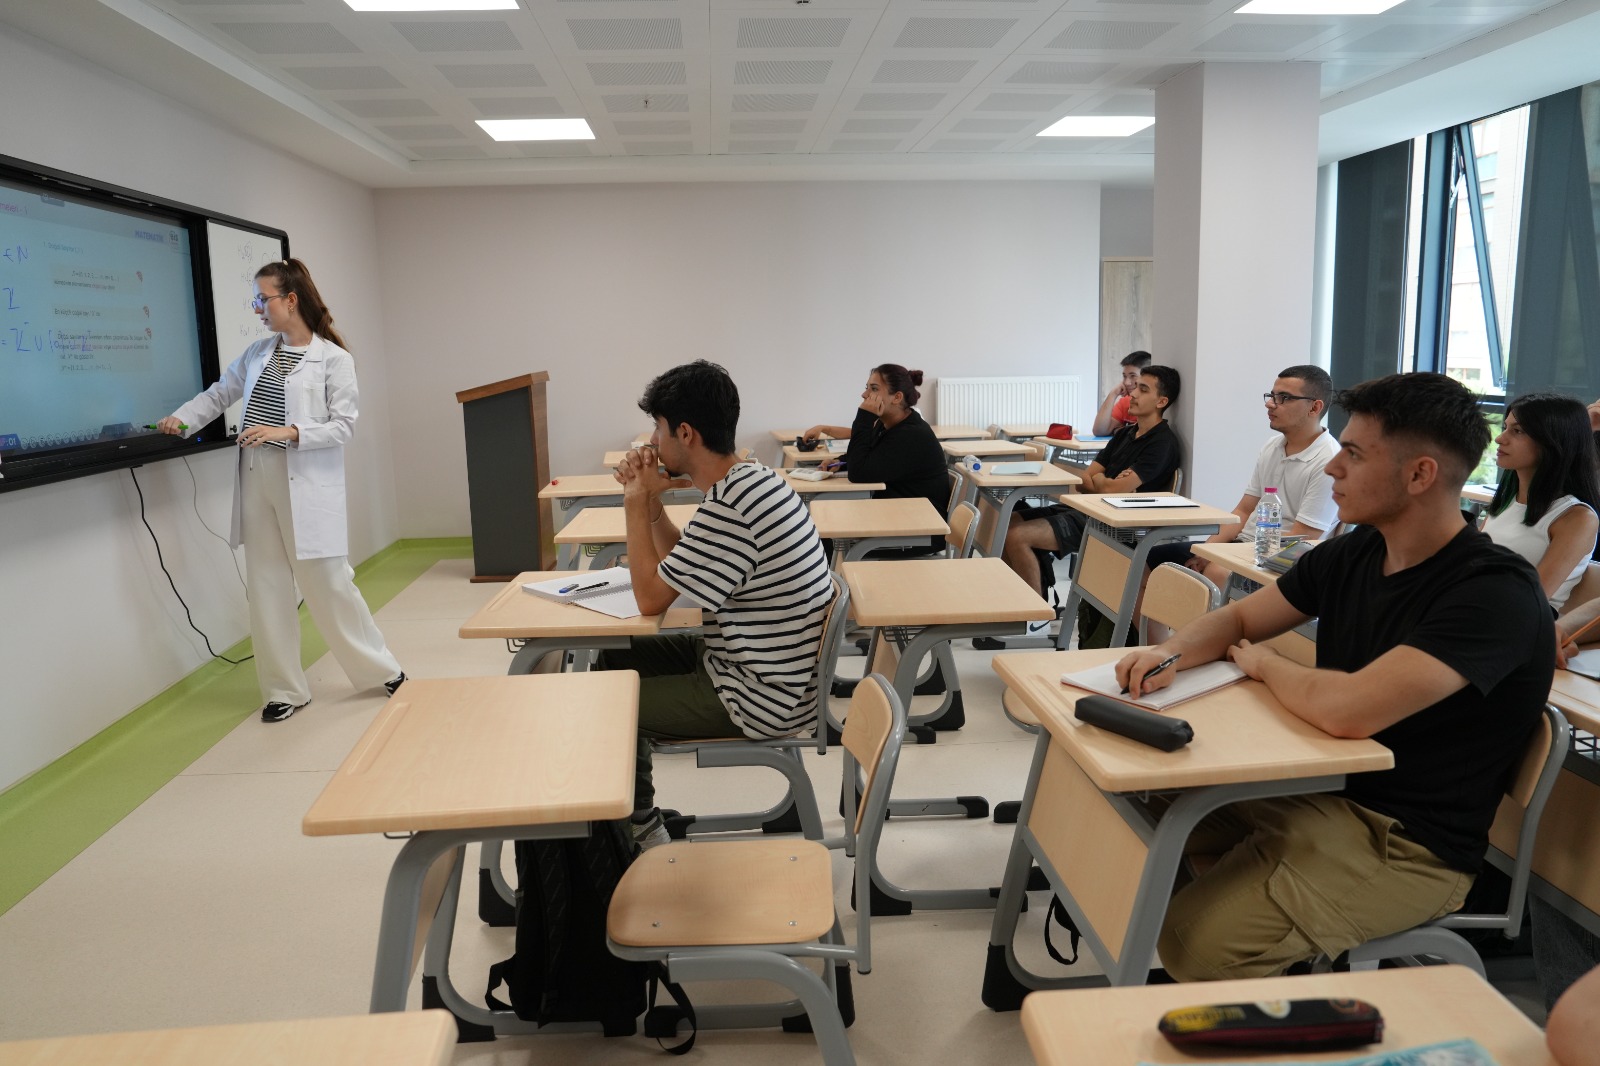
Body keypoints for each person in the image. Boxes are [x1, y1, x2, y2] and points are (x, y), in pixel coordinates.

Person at [1116, 372, 1553, 982]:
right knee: (1133, 809)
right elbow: (1240, 617)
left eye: (1353, 454)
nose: (1332, 468)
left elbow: (1347, 711)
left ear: (1420, 474)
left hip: (1405, 842)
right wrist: (1171, 652)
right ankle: (1258, 920)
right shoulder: (1355, 553)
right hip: (1321, 787)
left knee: (1194, 945)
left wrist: (1265, 663)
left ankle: (1268, 964)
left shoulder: (1492, 592)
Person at [157, 259, 404, 723]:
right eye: (256, 299)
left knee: (328, 582)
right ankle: (283, 690)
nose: (257, 308)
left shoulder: (333, 359)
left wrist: (288, 432)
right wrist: (182, 419)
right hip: (257, 476)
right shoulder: (257, 353)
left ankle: (381, 669)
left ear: (291, 300)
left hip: (304, 478)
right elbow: (219, 393)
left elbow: (344, 425)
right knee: (267, 584)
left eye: (262, 299)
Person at [604, 361, 833, 849]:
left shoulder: (732, 505)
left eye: (658, 429)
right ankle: (637, 811)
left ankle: (639, 828)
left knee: (606, 704)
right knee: (614, 655)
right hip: (759, 667)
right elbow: (683, 564)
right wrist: (653, 505)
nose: (653, 442)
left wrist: (633, 501)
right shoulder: (751, 480)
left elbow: (650, 599)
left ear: (685, 433)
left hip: (759, 694)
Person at [995, 364, 1182, 599]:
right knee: (1007, 521)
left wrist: (1101, 481)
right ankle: (1024, 601)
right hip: (1090, 509)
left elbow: (1110, 490)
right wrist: (1104, 483)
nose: (1133, 393)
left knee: (1017, 536)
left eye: (1143, 390)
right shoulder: (1125, 434)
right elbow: (1083, 480)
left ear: (1161, 402)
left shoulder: (1162, 443)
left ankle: (1036, 614)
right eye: (1135, 387)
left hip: (1113, 523)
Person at [1145, 365, 1339, 589]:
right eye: (1272, 396)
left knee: (1217, 572)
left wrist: (1225, 557)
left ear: (1314, 407)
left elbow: (1302, 538)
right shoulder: (1273, 446)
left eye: (1284, 398)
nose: (1270, 404)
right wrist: (1207, 551)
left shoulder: (1329, 461)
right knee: (1147, 559)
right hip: (1242, 545)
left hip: (1277, 563)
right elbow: (1244, 510)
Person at [802, 364, 947, 555]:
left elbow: (859, 474)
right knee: (824, 527)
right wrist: (840, 462)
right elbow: (870, 455)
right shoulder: (888, 424)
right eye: (867, 387)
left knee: (825, 538)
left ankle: (829, 574)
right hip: (896, 516)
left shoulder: (911, 434)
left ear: (897, 397)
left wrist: (864, 417)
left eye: (874, 389)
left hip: (918, 531)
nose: (864, 395)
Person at [1481, 392, 1600, 610]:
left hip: (1520, 620)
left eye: (1517, 431)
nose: (1500, 438)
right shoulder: (1505, 502)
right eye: (1505, 427)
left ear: (1552, 442)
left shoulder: (1577, 517)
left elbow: (1533, 597)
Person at [1090, 350, 1153, 437]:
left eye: (1133, 376)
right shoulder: (1125, 402)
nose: (1126, 382)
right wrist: (1113, 394)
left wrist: (1117, 431)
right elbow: (1100, 431)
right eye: (1124, 376)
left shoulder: (1153, 404)